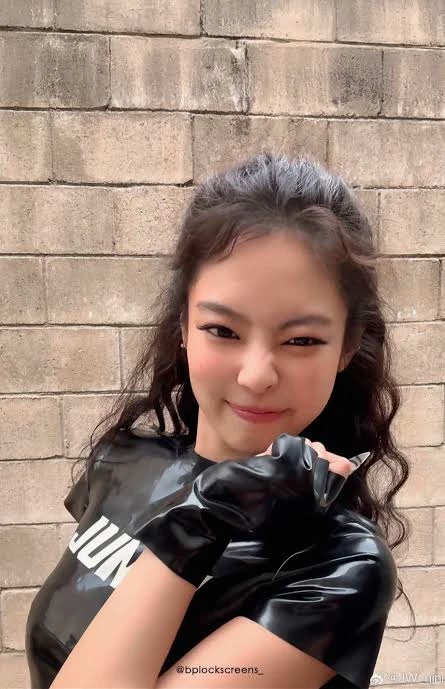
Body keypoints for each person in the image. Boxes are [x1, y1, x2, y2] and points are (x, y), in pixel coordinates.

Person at [25, 152, 413, 689]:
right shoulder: (125, 458)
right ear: (183, 325)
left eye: (302, 340)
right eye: (223, 331)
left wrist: (201, 521)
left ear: (347, 348)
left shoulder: (338, 567)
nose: (256, 376)